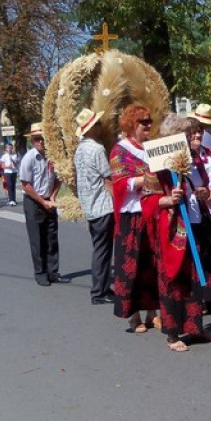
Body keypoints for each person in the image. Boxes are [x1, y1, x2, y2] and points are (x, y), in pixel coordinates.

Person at [142, 113, 211, 352]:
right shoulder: (156, 166)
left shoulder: (192, 160)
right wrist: (167, 199)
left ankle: (195, 328)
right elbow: (147, 201)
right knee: (173, 281)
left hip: (194, 223)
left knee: (194, 280)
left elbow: (201, 187)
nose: (190, 140)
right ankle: (173, 333)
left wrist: (204, 193)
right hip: (171, 231)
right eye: (185, 136)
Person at [110, 104, 160, 334]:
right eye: (143, 122)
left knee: (152, 263)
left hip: (152, 211)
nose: (148, 125)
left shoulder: (153, 147)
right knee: (132, 265)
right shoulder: (120, 150)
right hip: (131, 213)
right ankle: (134, 315)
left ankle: (153, 312)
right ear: (131, 125)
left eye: (149, 121)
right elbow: (121, 183)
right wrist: (147, 178)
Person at [73, 108, 115, 305]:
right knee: (102, 250)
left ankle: (103, 287)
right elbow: (107, 178)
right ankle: (99, 292)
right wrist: (117, 202)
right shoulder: (97, 149)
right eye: (97, 124)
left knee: (100, 248)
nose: (100, 127)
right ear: (91, 128)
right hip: (102, 204)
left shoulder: (80, 149)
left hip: (90, 205)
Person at [186, 112, 211, 310]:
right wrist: (195, 191)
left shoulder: (208, 153)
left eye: (199, 133)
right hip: (193, 210)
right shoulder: (182, 158)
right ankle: (197, 298)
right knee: (198, 255)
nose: (197, 137)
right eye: (192, 134)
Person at [19, 123, 67, 287]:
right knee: (37, 239)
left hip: (48, 198)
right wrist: (42, 201)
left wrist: (53, 196)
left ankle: (53, 272)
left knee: (52, 237)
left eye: (43, 138)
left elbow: (60, 176)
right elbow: (26, 185)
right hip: (34, 201)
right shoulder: (29, 158)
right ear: (32, 141)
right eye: (37, 139)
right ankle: (40, 273)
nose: (40, 142)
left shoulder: (53, 156)